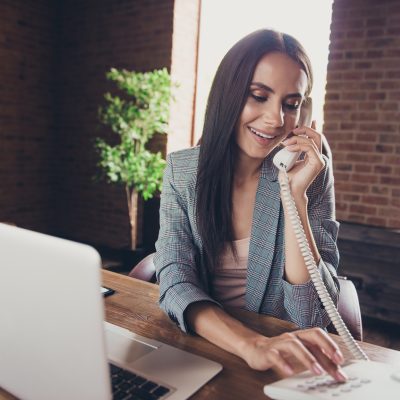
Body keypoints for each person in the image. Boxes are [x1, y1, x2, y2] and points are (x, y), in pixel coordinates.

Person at [154, 29, 345, 381]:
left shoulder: (310, 170)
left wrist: (295, 198)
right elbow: (175, 282)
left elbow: (311, 317)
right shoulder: (182, 172)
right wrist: (250, 344)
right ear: (228, 95)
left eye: (290, 104)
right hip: (204, 347)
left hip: (286, 362)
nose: (275, 119)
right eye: (259, 96)